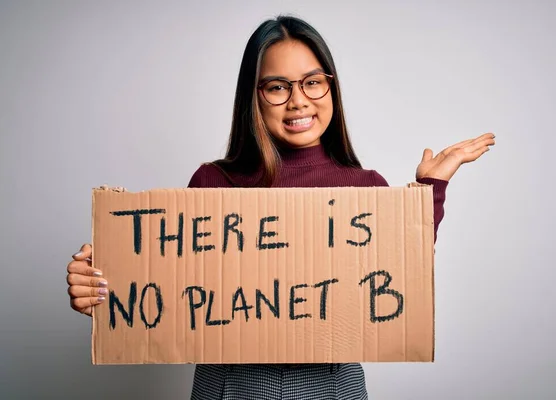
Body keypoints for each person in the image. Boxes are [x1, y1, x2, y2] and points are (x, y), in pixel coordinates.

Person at [66, 15, 495, 400]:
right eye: (277, 87)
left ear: (331, 86)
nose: (298, 101)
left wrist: (430, 189)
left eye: (312, 81)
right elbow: (166, 288)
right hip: (229, 388)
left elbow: (401, 272)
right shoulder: (212, 183)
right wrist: (101, 284)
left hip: (332, 386)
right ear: (253, 96)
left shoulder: (365, 188)